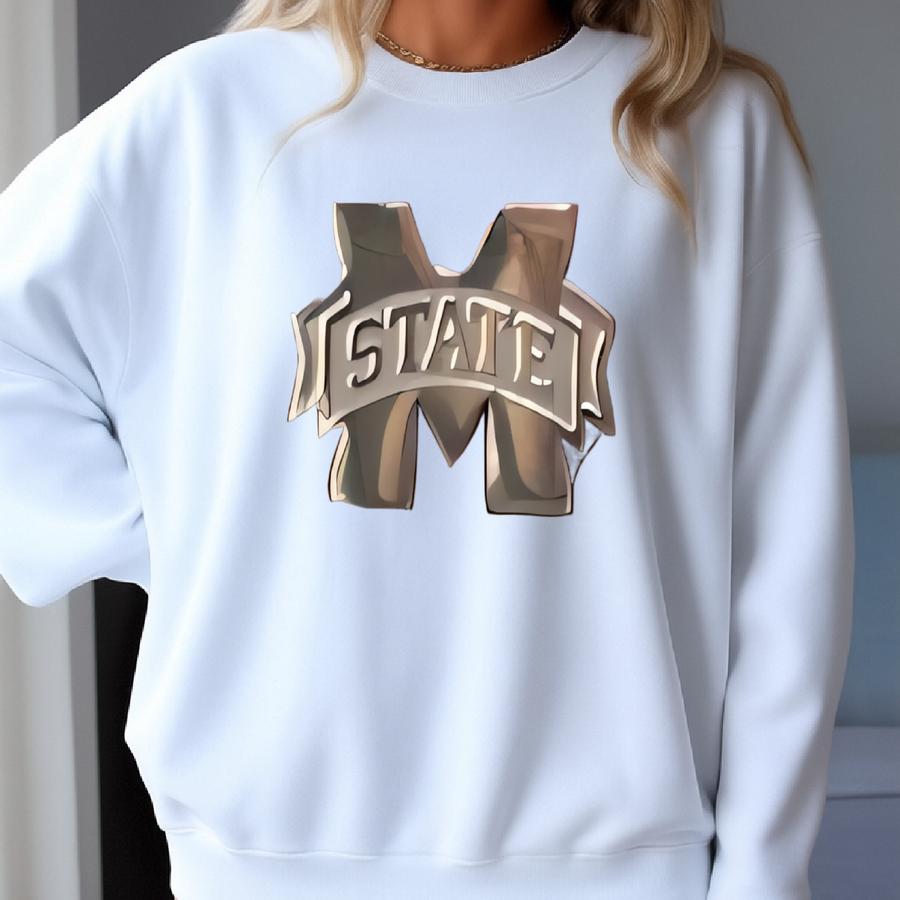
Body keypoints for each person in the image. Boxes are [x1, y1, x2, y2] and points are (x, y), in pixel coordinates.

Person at [0, 1, 855, 898]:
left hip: (628, 872)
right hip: (261, 871)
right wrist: (190, 551)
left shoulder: (713, 130)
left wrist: (763, 877)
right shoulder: (206, 114)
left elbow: (787, 555)